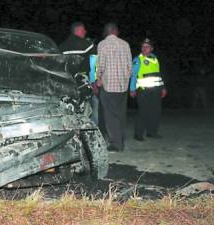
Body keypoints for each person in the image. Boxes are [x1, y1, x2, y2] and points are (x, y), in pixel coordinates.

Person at [96, 22, 132, 152]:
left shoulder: (102, 44)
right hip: (122, 87)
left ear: (107, 32)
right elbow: (130, 67)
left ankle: (116, 144)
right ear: (115, 31)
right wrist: (124, 79)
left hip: (108, 86)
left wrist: (98, 79)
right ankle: (121, 139)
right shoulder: (125, 44)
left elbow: (100, 65)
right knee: (120, 114)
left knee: (110, 116)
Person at [59, 22, 99, 125]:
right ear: (79, 30)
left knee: (70, 110)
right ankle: (90, 131)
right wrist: (94, 84)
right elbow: (94, 66)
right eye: (84, 30)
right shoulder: (88, 46)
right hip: (84, 86)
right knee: (90, 109)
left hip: (67, 86)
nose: (85, 32)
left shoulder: (61, 47)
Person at [130, 38, 167, 141]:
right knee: (143, 112)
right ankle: (138, 134)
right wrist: (132, 89)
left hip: (156, 90)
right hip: (143, 90)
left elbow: (158, 74)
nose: (144, 48)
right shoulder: (138, 59)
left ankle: (152, 132)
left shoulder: (155, 58)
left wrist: (163, 87)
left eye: (147, 46)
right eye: (143, 46)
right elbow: (133, 75)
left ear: (151, 48)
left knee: (155, 111)